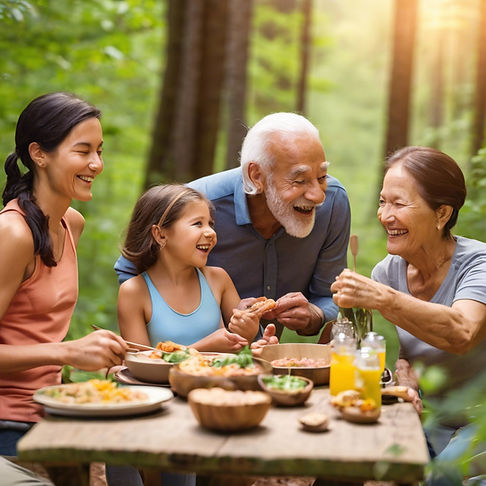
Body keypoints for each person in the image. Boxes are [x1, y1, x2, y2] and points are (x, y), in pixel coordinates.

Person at [115, 112, 351, 342]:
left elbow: (329, 292)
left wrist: (316, 315)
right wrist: (189, 325)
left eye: (321, 177)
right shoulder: (194, 204)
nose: (318, 195)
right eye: (299, 180)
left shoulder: (333, 203)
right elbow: (131, 270)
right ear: (256, 175)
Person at [330, 146, 486, 482]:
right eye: (383, 201)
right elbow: (412, 347)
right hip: (427, 420)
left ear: (441, 213)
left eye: (399, 203)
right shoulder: (387, 273)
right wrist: (404, 378)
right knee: (342, 464)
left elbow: (461, 333)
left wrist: (383, 299)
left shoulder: (479, 264)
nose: (385, 214)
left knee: (440, 479)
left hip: (479, 425)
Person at [0, 92, 127, 457]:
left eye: (99, 151)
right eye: (83, 151)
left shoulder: (72, 223)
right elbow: (54, 348)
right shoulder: (13, 233)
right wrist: (67, 352)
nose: (97, 164)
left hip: (54, 409)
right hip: (9, 423)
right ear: (39, 154)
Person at [117, 183, 270, 351]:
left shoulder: (218, 280)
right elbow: (142, 365)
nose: (211, 232)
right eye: (198, 223)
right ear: (160, 234)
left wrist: (249, 336)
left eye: (210, 224)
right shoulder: (134, 292)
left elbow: (241, 349)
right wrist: (203, 348)